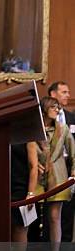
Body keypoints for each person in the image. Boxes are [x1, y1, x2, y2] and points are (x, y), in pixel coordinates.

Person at [33, 96, 75, 251]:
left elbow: (73, 152)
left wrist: (73, 172)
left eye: (58, 107)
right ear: (44, 108)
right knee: (31, 218)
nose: (57, 110)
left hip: (57, 177)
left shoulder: (62, 128)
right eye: (54, 107)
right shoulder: (35, 129)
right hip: (37, 176)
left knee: (54, 217)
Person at [48, 82, 75, 242]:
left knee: (67, 210)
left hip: (69, 166)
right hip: (49, 166)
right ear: (53, 94)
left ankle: (64, 249)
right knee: (51, 212)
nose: (68, 95)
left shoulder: (72, 117)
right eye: (64, 92)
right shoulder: (44, 118)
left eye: (68, 92)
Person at [10, 142, 38, 251]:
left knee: (20, 227)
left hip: (20, 186)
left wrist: (31, 193)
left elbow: (34, 166)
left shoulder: (27, 134)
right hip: (0, 182)